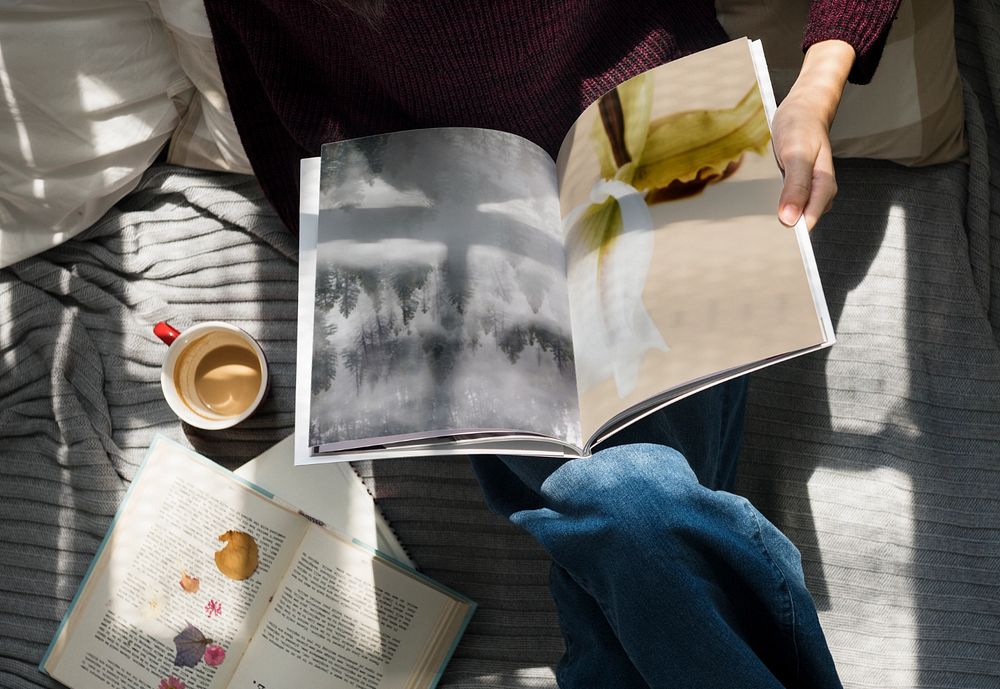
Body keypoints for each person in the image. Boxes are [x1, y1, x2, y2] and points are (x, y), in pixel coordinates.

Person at [201, 2, 901, 686]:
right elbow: (278, 107)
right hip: (442, 207)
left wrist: (814, 90)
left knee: (619, 502)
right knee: (628, 502)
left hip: (657, 148)